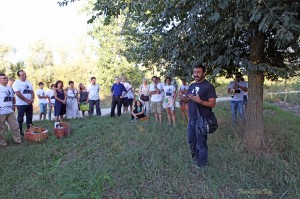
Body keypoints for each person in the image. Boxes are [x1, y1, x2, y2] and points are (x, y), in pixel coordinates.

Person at [187, 65, 217, 168]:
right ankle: (195, 160)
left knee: (201, 143)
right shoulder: (191, 86)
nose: (195, 74)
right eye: (194, 72)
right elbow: (189, 99)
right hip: (192, 119)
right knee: (191, 141)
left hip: (202, 119)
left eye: (198, 72)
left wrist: (200, 101)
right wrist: (184, 98)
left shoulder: (208, 86)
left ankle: (202, 165)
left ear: (204, 73)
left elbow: (213, 104)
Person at [0, 73, 22, 146]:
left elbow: (13, 97)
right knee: (1, 129)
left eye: (6, 78)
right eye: (4, 78)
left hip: (10, 111)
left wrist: (13, 105)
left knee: (15, 126)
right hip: (1, 112)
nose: (6, 79)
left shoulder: (9, 87)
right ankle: (2, 143)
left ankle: (17, 140)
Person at [12, 70, 34, 135]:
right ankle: (19, 132)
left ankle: (30, 131)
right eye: (22, 75)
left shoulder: (29, 82)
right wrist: (27, 100)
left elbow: (32, 92)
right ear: (18, 76)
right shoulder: (16, 83)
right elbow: (18, 93)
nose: (24, 75)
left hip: (29, 104)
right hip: (21, 104)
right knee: (20, 119)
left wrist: (32, 99)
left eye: (25, 74)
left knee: (29, 118)